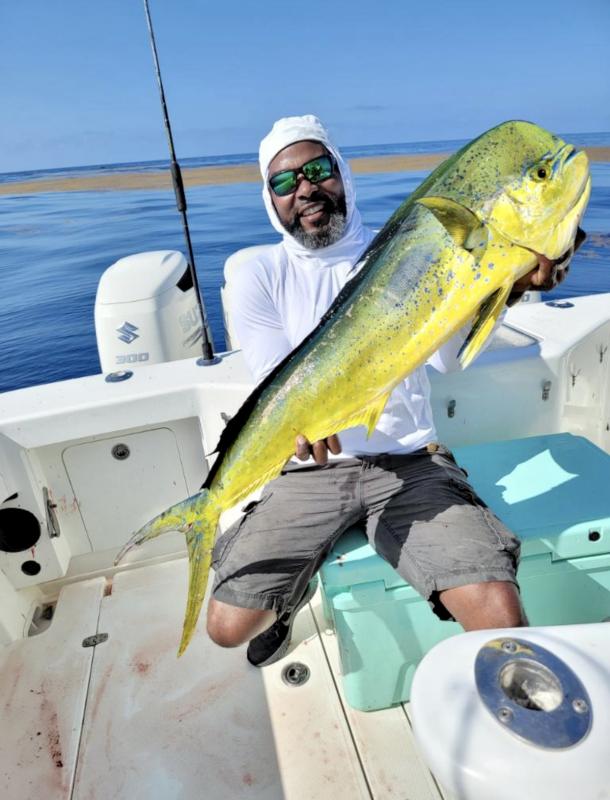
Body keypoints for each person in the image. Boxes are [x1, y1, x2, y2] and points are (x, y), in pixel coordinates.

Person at [207, 114, 574, 667]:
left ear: (342, 172)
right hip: (310, 471)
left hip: (411, 464)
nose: (304, 187)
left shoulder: (409, 245)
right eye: (284, 181)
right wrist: (296, 434)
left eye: (316, 169)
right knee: (226, 629)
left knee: (500, 616)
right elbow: (276, 379)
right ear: (270, 198)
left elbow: (449, 360)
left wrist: (512, 286)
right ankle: (290, 596)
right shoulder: (256, 272)